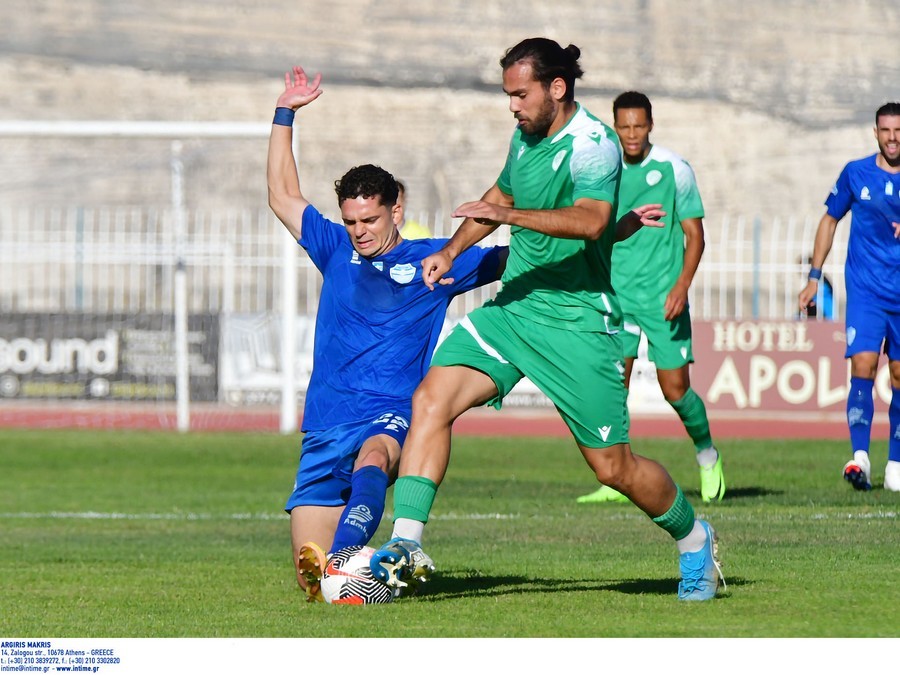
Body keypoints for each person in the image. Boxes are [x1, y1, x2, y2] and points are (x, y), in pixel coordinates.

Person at [369, 38, 724, 602]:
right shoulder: (525, 137)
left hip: (579, 323)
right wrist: (453, 251)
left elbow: (589, 221)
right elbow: (501, 193)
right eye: (508, 94)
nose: (512, 105)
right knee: (430, 400)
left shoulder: (594, 146)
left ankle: (694, 538)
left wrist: (507, 216)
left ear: (556, 88)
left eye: (520, 93)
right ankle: (407, 544)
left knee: (614, 469)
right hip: (517, 307)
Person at [266, 65, 508, 601]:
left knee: (375, 459)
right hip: (326, 421)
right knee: (317, 582)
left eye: (369, 220)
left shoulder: (437, 259)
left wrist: (606, 234)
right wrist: (285, 112)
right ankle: (374, 570)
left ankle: (355, 556)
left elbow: (516, 260)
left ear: (395, 208)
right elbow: (283, 196)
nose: (359, 232)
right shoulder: (334, 249)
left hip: (391, 414)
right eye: (351, 222)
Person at [577, 91, 725, 505]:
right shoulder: (604, 169)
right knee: (613, 388)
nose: (631, 134)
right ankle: (618, 478)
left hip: (663, 297)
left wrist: (681, 286)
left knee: (675, 389)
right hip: (615, 296)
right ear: (614, 126)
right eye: (623, 126)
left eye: (638, 125)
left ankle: (707, 454)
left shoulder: (675, 169)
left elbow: (695, 236)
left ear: (650, 125)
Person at [798, 101, 900, 492]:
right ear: (876, 133)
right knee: (864, 365)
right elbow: (829, 219)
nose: (892, 138)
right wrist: (813, 275)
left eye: (897, 130)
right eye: (886, 130)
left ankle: (895, 465)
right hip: (867, 292)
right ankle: (860, 459)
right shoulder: (856, 173)